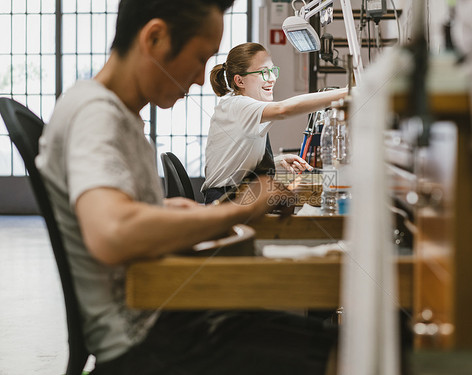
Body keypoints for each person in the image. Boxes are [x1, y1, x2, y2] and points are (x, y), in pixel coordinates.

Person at [35, 0, 338, 374]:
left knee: (330, 343)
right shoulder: (96, 113)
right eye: (199, 59)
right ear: (155, 37)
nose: (199, 79)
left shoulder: (118, 115)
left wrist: (170, 210)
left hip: (170, 320)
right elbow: (112, 233)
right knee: (342, 356)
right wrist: (242, 208)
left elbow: (123, 213)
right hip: (149, 342)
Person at [202, 42, 348, 204]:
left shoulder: (244, 107)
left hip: (237, 195)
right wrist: (346, 93)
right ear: (240, 81)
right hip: (224, 200)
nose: (272, 79)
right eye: (264, 72)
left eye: (273, 71)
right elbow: (282, 109)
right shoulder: (237, 106)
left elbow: (235, 161)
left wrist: (277, 160)